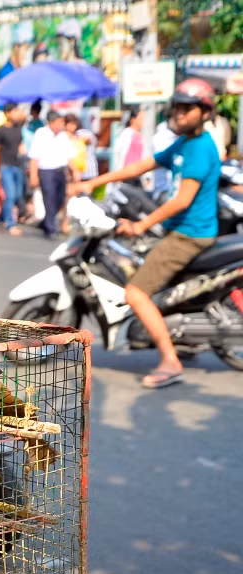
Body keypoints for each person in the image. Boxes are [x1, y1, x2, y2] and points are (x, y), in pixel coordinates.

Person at [70, 79, 221, 388]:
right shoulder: (185, 143)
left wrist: (140, 225)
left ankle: (170, 361)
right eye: (177, 107)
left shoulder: (200, 148)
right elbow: (141, 167)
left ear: (204, 112)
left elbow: (182, 200)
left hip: (189, 235)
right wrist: (95, 182)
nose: (180, 113)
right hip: (180, 229)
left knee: (135, 292)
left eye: (187, 108)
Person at [28, 111, 78, 238]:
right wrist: (33, 175)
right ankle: (50, 229)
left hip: (60, 171)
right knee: (49, 198)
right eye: (60, 122)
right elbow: (34, 156)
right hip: (46, 171)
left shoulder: (63, 136)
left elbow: (69, 155)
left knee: (60, 199)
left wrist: (75, 171)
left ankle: (46, 222)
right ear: (52, 122)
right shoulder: (41, 134)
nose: (62, 124)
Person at [0, 103, 26, 234]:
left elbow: (20, 143)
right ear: (7, 113)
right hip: (4, 166)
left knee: (17, 195)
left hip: (17, 166)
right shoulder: (0, 130)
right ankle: (10, 223)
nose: (18, 113)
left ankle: (1, 217)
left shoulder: (18, 128)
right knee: (10, 195)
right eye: (15, 111)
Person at [112, 106, 145, 173]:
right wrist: (118, 171)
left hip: (138, 173)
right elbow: (118, 153)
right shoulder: (126, 134)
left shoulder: (141, 136)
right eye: (140, 119)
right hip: (126, 173)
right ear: (133, 119)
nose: (142, 121)